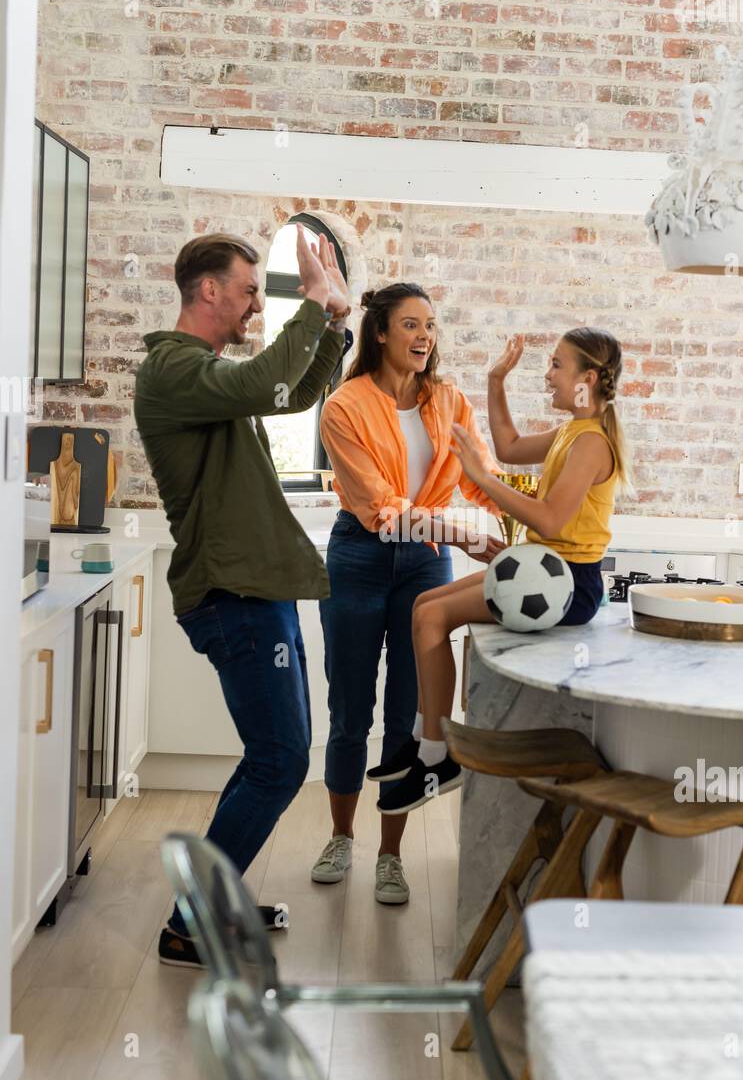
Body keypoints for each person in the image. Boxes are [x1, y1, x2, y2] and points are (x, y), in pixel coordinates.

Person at [134, 227, 352, 967]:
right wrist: (312, 306)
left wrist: (335, 324)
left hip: (252, 588)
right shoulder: (173, 370)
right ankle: (189, 926)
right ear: (208, 291)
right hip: (233, 594)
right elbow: (266, 383)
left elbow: (290, 392)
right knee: (283, 759)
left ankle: (210, 905)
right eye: (250, 288)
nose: (257, 302)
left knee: (269, 755)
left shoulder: (206, 376)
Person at [376, 326, 630, 816]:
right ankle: (422, 737)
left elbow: (551, 518)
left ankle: (438, 756)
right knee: (424, 605)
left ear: (588, 378)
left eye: (557, 364)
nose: (549, 374)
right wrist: (496, 381)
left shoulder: (592, 444)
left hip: (568, 584)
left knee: (432, 619)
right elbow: (510, 446)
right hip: (544, 566)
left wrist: (481, 477)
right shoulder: (571, 433)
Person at [313, 282, 504, 905]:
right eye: (411, 325)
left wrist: (516, 520)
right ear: (381, 333)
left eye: (430, 326)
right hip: (360, 557)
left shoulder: (447, 400)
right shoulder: (344, 406)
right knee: (349, 712)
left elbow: (481, 478)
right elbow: (380, 512)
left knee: (407, 714)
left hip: (425, 565)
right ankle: (343, 835)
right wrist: (458, 532)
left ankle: (390, 855)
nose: (425, 337)